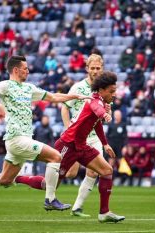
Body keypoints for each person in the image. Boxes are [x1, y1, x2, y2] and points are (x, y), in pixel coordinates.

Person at [0, 55, 90, 210]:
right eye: (25, 68)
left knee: (5, 179)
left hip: (21, 141)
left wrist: (75, 96)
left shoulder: (29, 88)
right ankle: (50, 200)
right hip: (16, 139)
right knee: (56, 157)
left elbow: (53, 97)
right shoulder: (5, 85)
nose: (28, 71)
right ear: (16, 70)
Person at [53, 71, 125, 223]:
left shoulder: (102, 101)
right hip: (69, 144)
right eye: (112, 91)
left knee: (106, 171)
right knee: (50, 182)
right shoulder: (94, 100)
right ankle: (16, 178)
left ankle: (104, 212)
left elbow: (96, 123)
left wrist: (105, 144)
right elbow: (97, 110)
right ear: (102, 90)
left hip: (82, 145)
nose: (115, 94)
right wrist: (105, 115)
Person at [60, 54, 105, 217]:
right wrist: (67, 128)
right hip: (76, 137)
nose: (95, 71)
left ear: (102, 68)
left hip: (94, 138)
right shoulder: (78, 87)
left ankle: (77, 207)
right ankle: (46, 189)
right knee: (70, 173)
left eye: (98, 68)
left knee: (95, 171)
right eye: (92, 68)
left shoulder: (105, 88)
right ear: (87, 69)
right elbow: (65, 107)